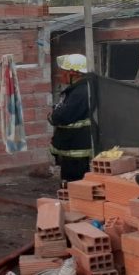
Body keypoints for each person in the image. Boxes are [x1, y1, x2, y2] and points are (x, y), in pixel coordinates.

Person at [48, 54, 95, 183]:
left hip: (76, 151)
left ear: (74, 73)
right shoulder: (79, 90)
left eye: (63, 71)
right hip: (74, 149)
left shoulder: (80, 92)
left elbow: (62, 116)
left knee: (73, 186)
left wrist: (52, 116)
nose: (61, 75)